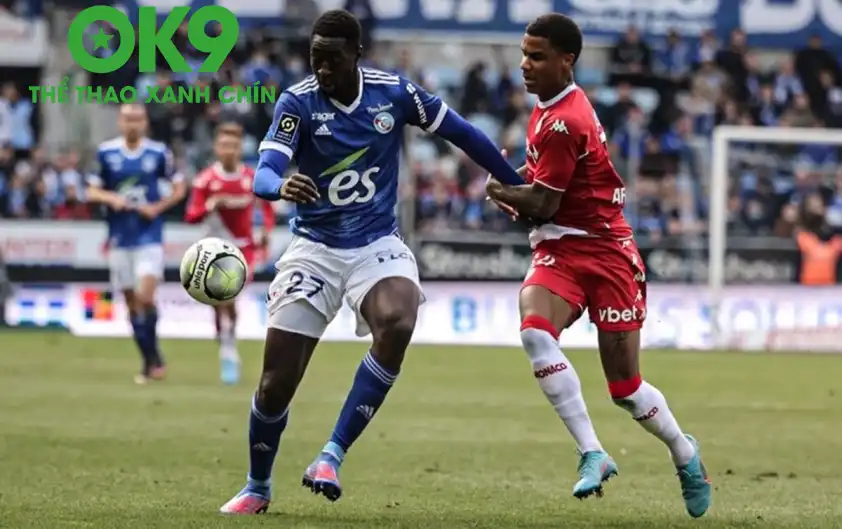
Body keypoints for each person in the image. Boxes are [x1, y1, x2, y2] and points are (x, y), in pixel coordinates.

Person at [220, 9, 524, 515]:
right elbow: (264, 172)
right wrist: (280, 186)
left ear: (357, 54)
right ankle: (258, 485)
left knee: (399, 318)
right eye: (315, 58)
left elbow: (463, 133)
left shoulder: (394, 93)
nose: (322, 69)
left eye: (332, 59)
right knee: (275, 385)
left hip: (375, 244)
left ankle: (331, 455)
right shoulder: (297, 102)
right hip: (314, 249)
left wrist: (514, 180)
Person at [484, 13, 712, 518]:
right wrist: (513, 184)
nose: (525, 65)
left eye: (537, 56)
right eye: (524, 54)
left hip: (607, 253)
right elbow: (544, 179)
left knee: (625, 390)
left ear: (566, 61)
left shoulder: (566, 119)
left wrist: (502, 189)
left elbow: (543, 201)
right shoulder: (549, 106)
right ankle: (593, 452)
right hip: (561, 251)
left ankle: (684, 453)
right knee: (535, 333)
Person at [85, 104, 186, 384]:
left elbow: (180, 188)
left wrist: (158, 207)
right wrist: (111, 199)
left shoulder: (158, 153)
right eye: (128, 119)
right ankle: (150, 360)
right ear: (120, 122)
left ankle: (153, 360)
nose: (133, 124)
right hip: (119, 237)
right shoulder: (106, 152)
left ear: (145, 123)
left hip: (149, 236)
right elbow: (91, 190)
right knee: (131, 304)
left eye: (138, 119)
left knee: (146, 298)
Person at [184, 122, 275, 385]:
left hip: (243, 248)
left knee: (229, 295)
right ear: (216, 148)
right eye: (224, 145)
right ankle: (225, 339)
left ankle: (229, 349)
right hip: (212, 248)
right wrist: (210, 205)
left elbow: (267, 208)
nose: (229, 150)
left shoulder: (251, 177)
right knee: (218, 302)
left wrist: (266, 231)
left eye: (234, 146)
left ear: (240, 148)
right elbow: (191, 216)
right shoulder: (205, 180)